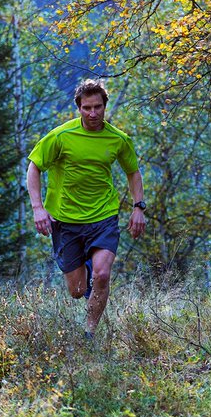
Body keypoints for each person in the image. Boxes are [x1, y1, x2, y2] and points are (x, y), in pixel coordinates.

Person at [26, 77, 146, 337]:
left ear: (105, 106)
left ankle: (89, 334)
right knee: (77, 290)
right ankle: (87, 268)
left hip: (103, 216)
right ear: (78, 108)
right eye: (87, 108)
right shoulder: (61, 136)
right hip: (65, 220)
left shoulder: (118, 139)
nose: (93, 113)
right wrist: (38, 208)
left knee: (102, 275)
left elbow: (133, 172)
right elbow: (34, 167)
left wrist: (139, 207)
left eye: (98, 107)